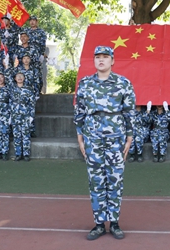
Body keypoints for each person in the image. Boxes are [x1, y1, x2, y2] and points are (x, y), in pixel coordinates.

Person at [73, 46, 135, 241]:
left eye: (105, 57)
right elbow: (80, 112)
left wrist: (129, 137)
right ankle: (99, 223)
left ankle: (114, 223)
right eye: (98, 57)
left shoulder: (123, 83)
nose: (101, 60)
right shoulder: (85, 83)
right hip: (92, 137)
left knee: (115, 179)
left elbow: (129, 112)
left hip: (116, 137)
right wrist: (80, 137)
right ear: (94, 61)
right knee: (96, 180)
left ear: (112, 61)